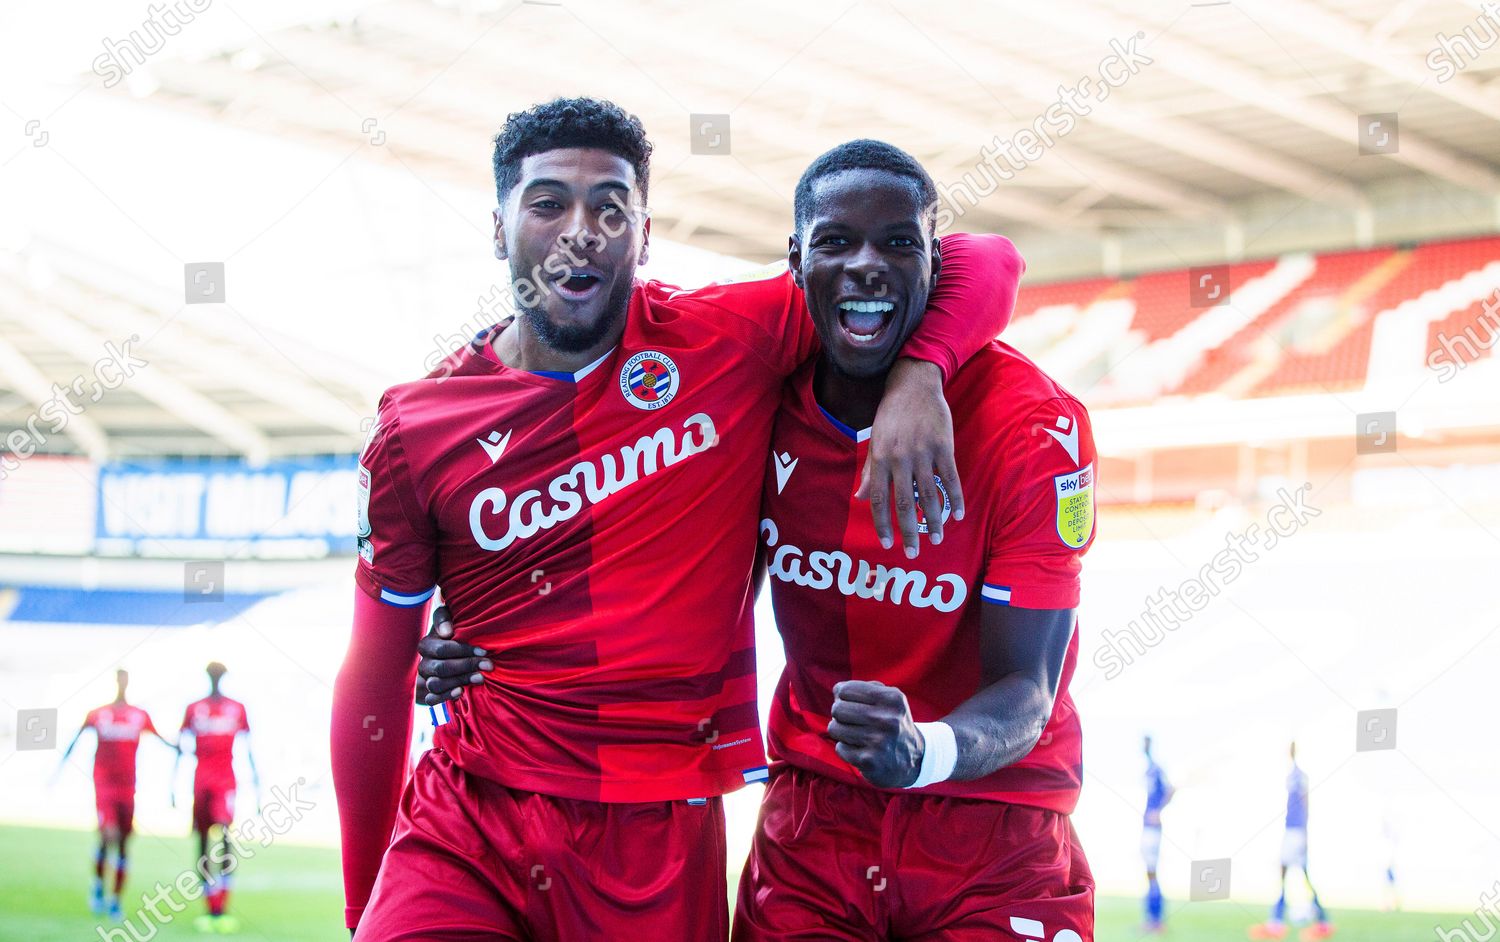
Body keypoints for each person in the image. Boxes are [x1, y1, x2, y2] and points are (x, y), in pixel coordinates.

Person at [333, 97, 1022, 941]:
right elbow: (374, 675)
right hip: (472, 811)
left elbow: (984, 256)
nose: (581, 230)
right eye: (548, 202)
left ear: (645, 235)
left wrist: (921, 372)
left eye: (611, 207)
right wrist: (360, 902)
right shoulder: (417, 428)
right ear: (500, 226)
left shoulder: (727, 339)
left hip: (656, 829)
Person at [56, 669, 177, 921]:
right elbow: (76, 739)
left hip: (128, 788)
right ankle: (99, 884)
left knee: (122, 843)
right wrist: (59, 769)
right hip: (104, 786)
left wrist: (179, 748)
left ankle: (115, 900)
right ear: (115, 682)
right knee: (108, 834)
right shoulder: (98, 714)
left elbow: (160, 738)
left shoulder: (139, 716)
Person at [174, 661, 259, 934]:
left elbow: (247, 748)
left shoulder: (237, 708)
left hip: (225, 780)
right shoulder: (194, 709)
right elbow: (180, 747)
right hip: (200, 780)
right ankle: (208, 904)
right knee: (201, 840)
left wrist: (257, 783)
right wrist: (172, 785)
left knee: (224, 835)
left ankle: (221, 905)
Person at [1250, 742, 1333, 941]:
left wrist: (1304, 832)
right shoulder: (1291, 774)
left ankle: (1285, 922)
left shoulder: (1299, 776)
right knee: (1293, 874)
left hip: (1296, 832)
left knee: (1294, 874)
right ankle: (1313, 921)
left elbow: (1305, 802)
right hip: (1291, 830)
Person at [1141, 735, 1174, 933]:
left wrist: (1158, 811)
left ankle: (1156, 919)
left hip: (1153, 827)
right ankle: (1152, 918)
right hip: (1146, 826)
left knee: (1152, 871)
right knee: (1149, 871)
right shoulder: (1148, 769)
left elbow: (1171, 789)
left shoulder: (1157, 769)